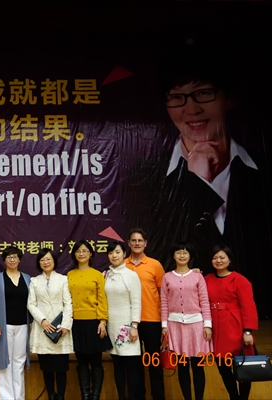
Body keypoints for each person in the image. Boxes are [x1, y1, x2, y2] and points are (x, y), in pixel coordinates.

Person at [124, 44, 272, 319]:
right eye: (177, 98)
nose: (191, 109)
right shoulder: (141, 180)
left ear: (228, 98)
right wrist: (196, 179)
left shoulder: (263, 172)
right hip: (183, 315)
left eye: (203, 93)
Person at [204, 245, 258, 400]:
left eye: (222, 257)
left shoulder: (240, 280)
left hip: (235, 327)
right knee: (222, 367)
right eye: (215, 258)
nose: (218, 261)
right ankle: (234, 397)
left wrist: (247, 331)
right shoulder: (206, 279)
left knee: (243, 366)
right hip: (215, 328)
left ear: (230, 259)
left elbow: (248, 307)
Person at [161, 242, 212, 400]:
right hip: (175, 325)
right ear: (173, 256)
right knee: (182, 366)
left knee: (198, 367)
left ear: (190, 256)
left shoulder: (198, 276)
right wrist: (164, 325)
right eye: (178, 252)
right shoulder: (167, 277)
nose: (182, 256)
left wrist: (207, 325)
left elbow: (204, 301)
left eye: (185, 253)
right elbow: (164, 302)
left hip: (196, 325)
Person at [124, 228, 166, 400]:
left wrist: (164, 322)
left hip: (151, 320)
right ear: (128, 243)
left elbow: (163, 294)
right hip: (129, 322)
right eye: (133, 240)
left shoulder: (155, 265)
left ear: (146, 243)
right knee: (134, 364)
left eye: (140, 240)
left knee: (154, 363)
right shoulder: (122, 265)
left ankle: (158, 396)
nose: (137, 243)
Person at [67, 240, 112, 400]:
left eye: (84, 251)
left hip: (94, 322)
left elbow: (102, 299)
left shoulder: (97, 275)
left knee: (96, 361)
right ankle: (85, 396)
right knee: (81, 362)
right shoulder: (69, 275)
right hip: (76, 322)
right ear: (74, 254)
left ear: (90, 254)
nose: (81, 254)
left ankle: (95, 396)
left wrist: (103, 321)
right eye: (78, 251)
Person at [26, 248, 73, 400]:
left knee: (61, 368)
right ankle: (51, 396)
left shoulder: (63, 279)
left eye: (48, 259)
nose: (46, 262)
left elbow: (68, 303)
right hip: (42, 329)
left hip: (60, 329)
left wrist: (65, 325)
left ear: (54, 261)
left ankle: (61, 397)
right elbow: (31, 304)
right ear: (38, 263)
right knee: (47, 368)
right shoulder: (34, 281)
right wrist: (43, 320)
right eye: (42, 260)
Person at [0, 246, 31, 400]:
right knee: (5, 362)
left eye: (15, 257)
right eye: (9, 257)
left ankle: (19, 397)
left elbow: (32, 302)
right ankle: (6, 397)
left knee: (19, 362)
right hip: (4, 326)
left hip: (23, 326)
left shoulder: (27, 278)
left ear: (19, 260)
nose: (12, 260)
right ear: (4, 260)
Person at [104, 241, 142, 400]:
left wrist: (134, 326)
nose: (114, 255)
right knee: (117, 365)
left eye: (117, 252)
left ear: (124, 254)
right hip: (111, 326)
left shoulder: (131, 275)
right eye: (111, 253)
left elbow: (136, 302)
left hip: (127, 327)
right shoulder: (105, 275)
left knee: (131, 366)